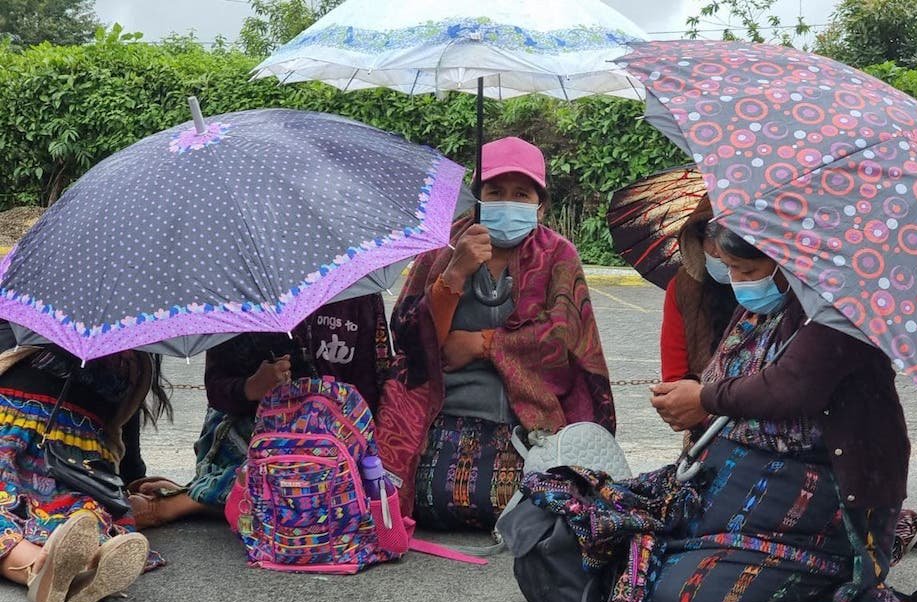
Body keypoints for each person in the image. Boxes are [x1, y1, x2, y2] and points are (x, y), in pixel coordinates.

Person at [526, 226, 917, 602]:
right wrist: (694, 401)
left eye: (749, 268)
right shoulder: (769, 307)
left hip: (818, 490)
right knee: (597, 527)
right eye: (731, 268)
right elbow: (730, 374)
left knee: (685, 600)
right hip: (738, 472)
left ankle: (835, 587)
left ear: (789, 264)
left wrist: (704, 399)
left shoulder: (845, 309)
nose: (739, 281)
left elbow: (790, 387)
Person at [377, 136, 615, 531]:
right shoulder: (443, 247)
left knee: (543, 501)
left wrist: (483, 344)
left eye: (521, 194)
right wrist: (455, 273)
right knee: (431, 494)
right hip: (447, 415)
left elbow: (566, 343)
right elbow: (410, 343)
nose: (508, 202)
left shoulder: (559, 255)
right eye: (495, 191)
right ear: (477, 197)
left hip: (529, 424)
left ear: (540, 203)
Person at [129, 294, 391, 528]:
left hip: (333, 440)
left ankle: (192, 499)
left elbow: (373, 387)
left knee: (326, 482)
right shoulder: (238, 294)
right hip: (252, 431)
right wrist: (252, 387)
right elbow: (216, 389)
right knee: (283, 479)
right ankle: (193, 496)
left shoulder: (358, 294)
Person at [0, 344, 166, 602]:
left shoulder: (29, 315)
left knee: (12, 513)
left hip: (13, 433)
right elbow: (124, 423)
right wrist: (133, 478)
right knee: (81, 514)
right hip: (79, 458)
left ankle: (44, 572)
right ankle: (79, 570)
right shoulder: (133, 348)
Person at [656, 198, 737, 383]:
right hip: (697, 406)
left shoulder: (774, 290)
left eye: (730, 235)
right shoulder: (683, 287)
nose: (718, 251)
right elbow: (674, 375)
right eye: (711, 234)